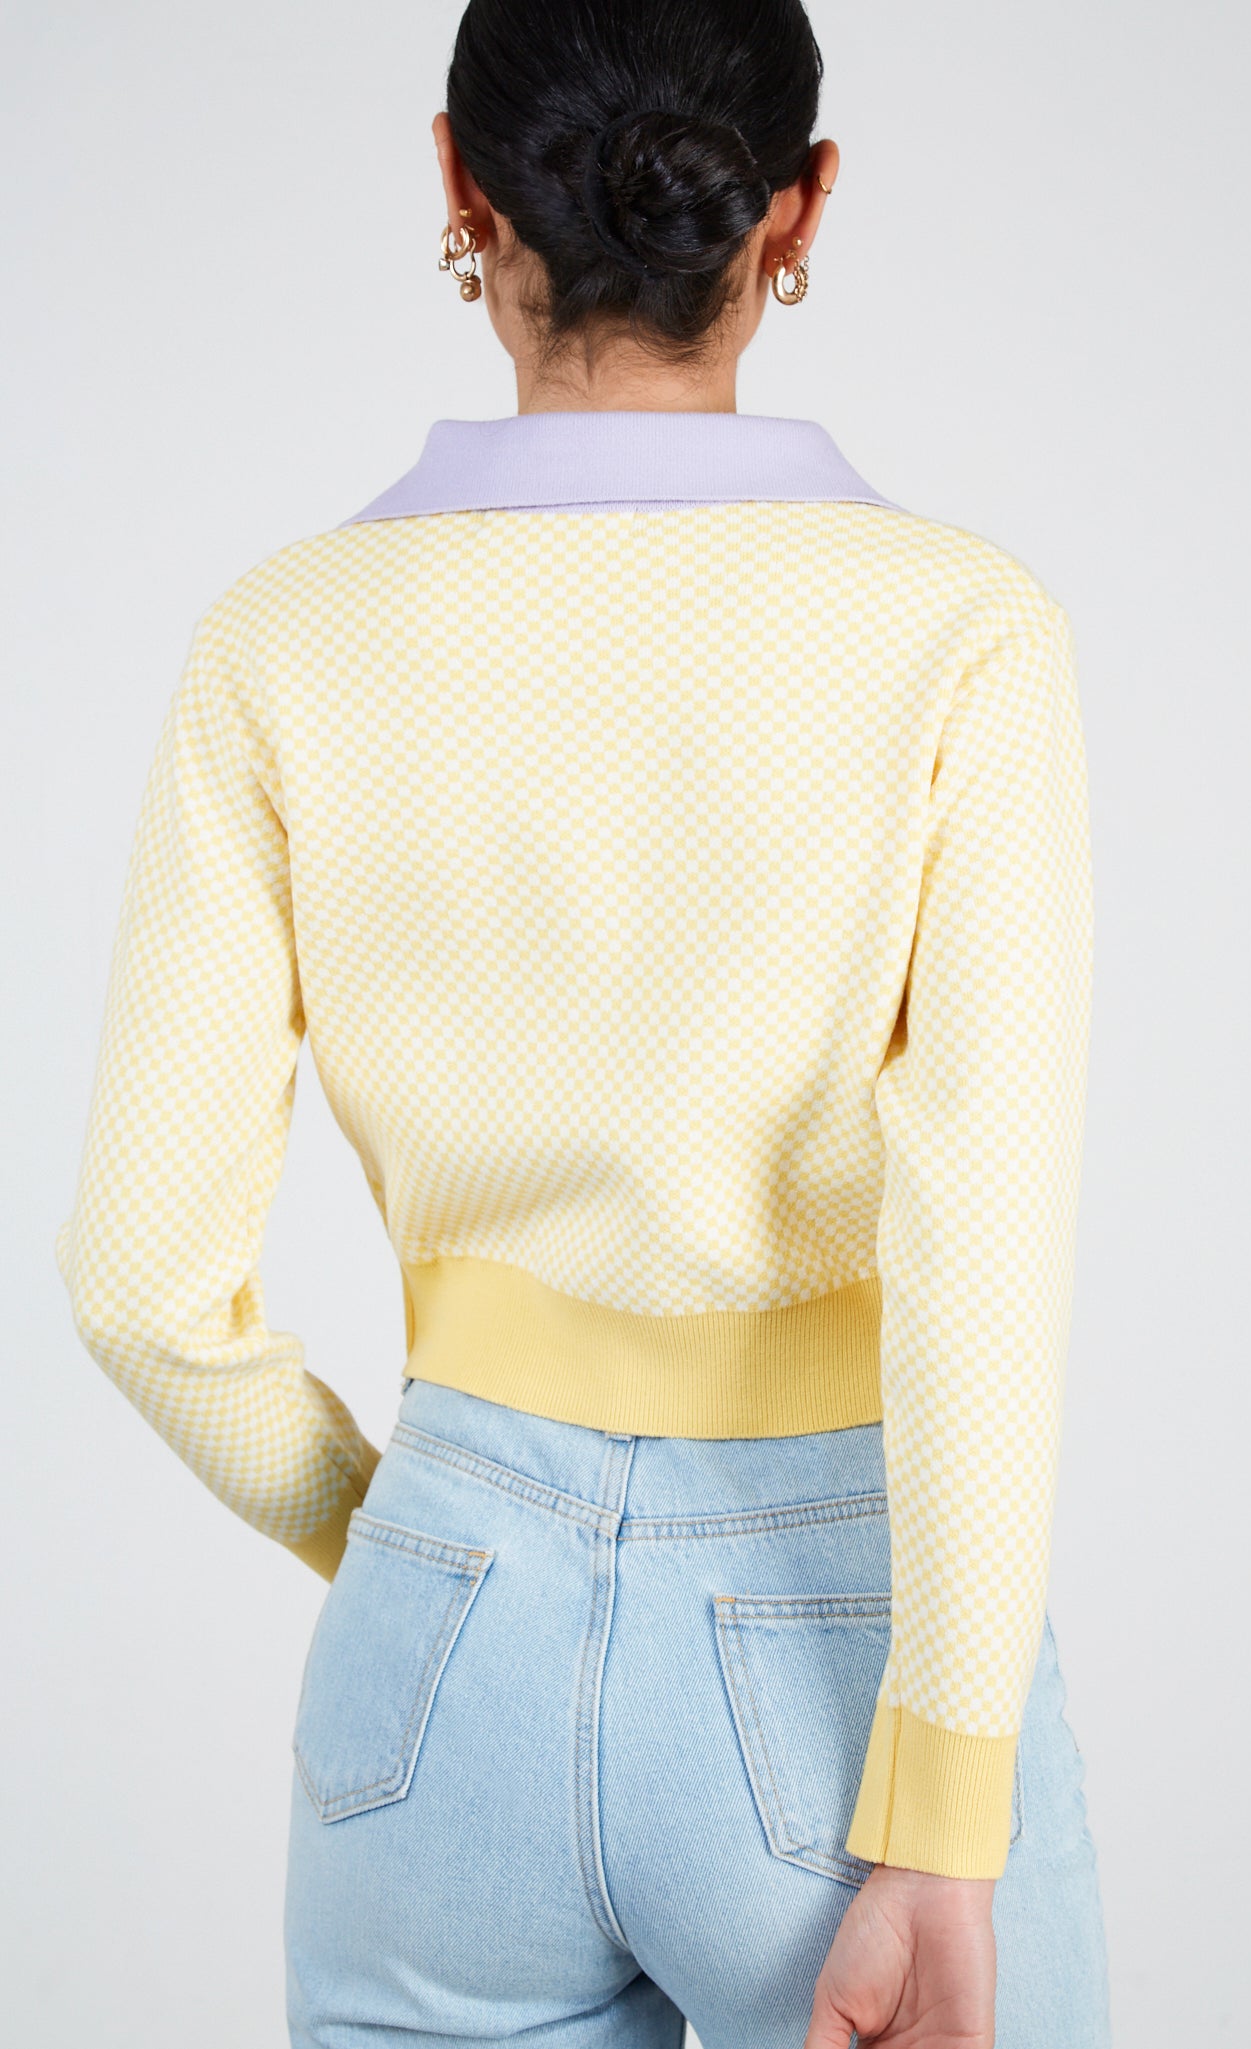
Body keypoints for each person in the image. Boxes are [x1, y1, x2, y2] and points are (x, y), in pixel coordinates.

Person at [53, 1, 1110, 2043]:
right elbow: (979, 1244)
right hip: (844, 1658)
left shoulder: (276, 642)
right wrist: (940, 1810)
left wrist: (408, 1530)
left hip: (439, 1640)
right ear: (797, 208)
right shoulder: (963, 636)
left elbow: (136, 1283)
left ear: (462, 184)